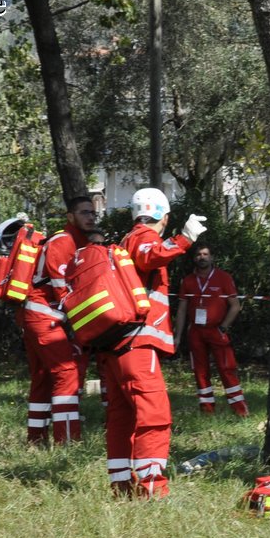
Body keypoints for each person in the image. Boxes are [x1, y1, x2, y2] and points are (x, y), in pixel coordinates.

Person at [96, 187, 205, 499]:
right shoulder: (144, 237)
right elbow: (151, 255)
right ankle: (153, 489)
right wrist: (184, 238)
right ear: (164, 217)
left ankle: (121, 486)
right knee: (154, 415)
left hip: (117, 347)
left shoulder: (124, 240)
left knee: (121, 417)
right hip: (138, 346)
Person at [14, 197, 95, 444]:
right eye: (84, 213)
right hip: (44, 316)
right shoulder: (63, 242)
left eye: (93, 213)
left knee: (43, 376)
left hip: (38, 315)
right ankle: (67, 440)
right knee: (66, 373)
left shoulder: (78, 242)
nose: (91, 217)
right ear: (70, 216)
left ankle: (36, 439)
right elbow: (65, 292)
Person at [173, 243, 248, 416]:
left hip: (216, 330)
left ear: (212, 257)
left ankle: (240, 410)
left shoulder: (223, 277)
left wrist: (223, 328)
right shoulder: (188, 281)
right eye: (199, 254)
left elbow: (235, 306)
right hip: (196, 332)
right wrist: (178, 335)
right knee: (200, 371)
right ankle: (207, 410)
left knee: (226, 368)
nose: (202, 257)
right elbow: (182, 309)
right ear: (194, 258)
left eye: (206, 254)